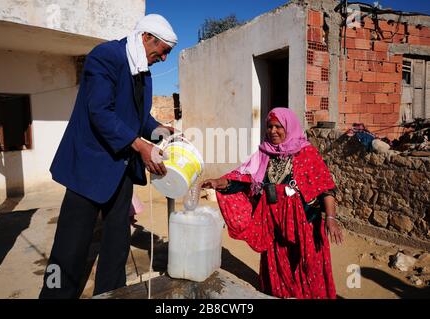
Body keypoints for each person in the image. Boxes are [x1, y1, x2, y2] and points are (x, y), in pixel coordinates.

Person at [39, 14, 177, 298]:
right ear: (146, 38)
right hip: (89, 168)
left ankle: (112, 293)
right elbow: (100, 112)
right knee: (69, 248)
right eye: (163, 51)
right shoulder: (106, 57)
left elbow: (137, 116)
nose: (164, 59)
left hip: (121, 170)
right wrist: (140, 146)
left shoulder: (143, 71)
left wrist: (159, 130)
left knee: (117, 244)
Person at [202, 107, 343, 299]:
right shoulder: (263, 154)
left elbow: (325, 188)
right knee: (279, 267)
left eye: (279, 126)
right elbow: (243, 179)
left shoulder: (306, 153)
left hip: (305, 225)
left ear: (289, 127)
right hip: (274, 226)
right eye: (269, 126)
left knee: (309, 267)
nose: (273, 131)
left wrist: (331, 218)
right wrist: (219, 182)